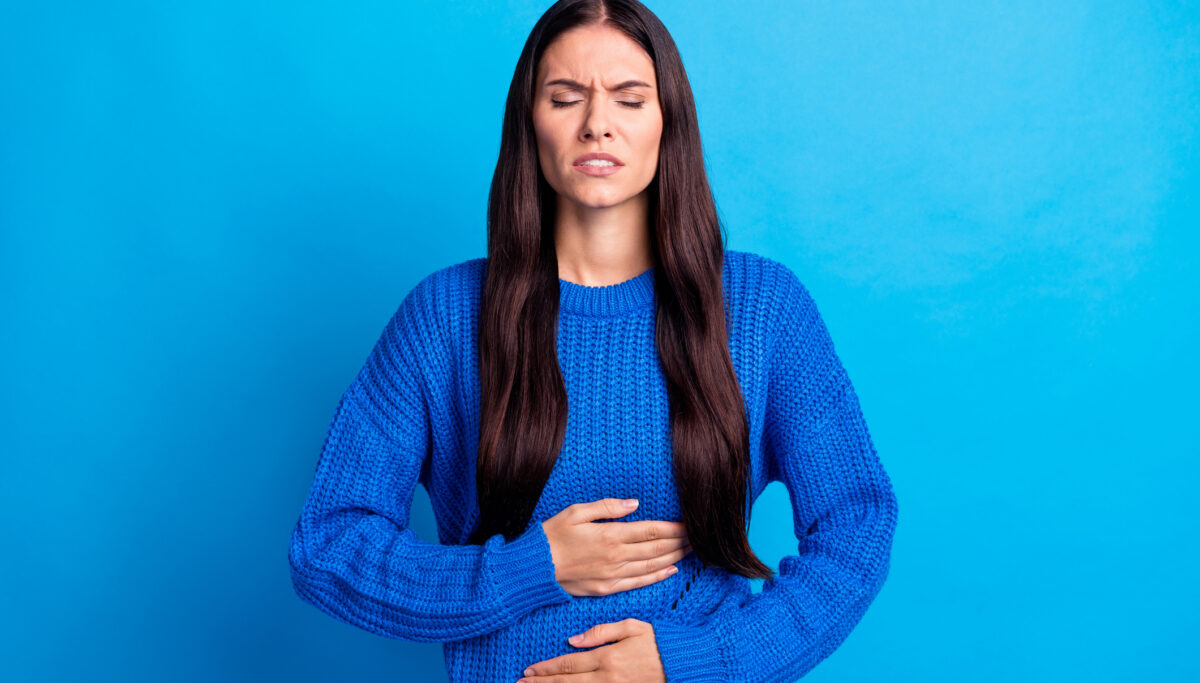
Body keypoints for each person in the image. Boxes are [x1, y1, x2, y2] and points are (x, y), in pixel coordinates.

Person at [287, 1, 899, 681]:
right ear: (530, 122)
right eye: (565, 97)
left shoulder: (763, 309)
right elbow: (328, 544)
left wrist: (692, 660)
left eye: (629, 99)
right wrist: (531, 568)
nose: (597, 123)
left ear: (668, 122)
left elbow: (857, 523)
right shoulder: (444, 317)